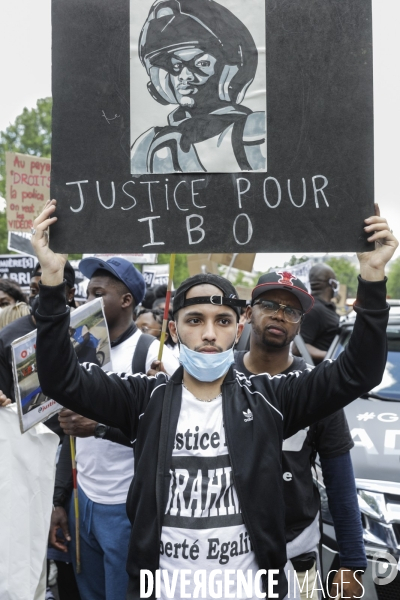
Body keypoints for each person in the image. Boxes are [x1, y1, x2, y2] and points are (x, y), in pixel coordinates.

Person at [32, 199, 397, 600]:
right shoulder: (144, 397)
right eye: (194, 320)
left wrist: (372, 277)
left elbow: (356, 373)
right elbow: (59, 378)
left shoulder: (270, 399)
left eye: (222, 321)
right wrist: (52, 283)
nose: (209, 334)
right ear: (172, 330)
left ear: (237, 325)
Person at [50, 256, 179, 600]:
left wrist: (101, 427)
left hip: (128, 507)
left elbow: (171, 437)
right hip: (84, 501)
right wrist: (60, 500)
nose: (85, 300)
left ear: (126, 301)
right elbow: (69, 434)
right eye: (85, 291)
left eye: (97, 293)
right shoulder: (80, 352)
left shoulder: (154, 355)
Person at [235, 271, 366, 599]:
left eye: (292, 311)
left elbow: (340, 481)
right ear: (249, 313)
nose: (280, 314)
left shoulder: (318, 387)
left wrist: (352, 562)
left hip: (299, 553)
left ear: (300, 324)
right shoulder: (217, 376)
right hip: (227, 549)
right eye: (269, 304)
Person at [131, 0, 266, 173]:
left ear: (230, 70)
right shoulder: (147, 144)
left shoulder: (254, 130)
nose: (184, 77)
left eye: (200, 63)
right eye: (175, 67)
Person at [298, 264, 340, 363]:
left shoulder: (323, 307)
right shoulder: (314, 310)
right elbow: (299, 347)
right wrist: (334, 356)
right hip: (320, 373)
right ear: (332, 283)